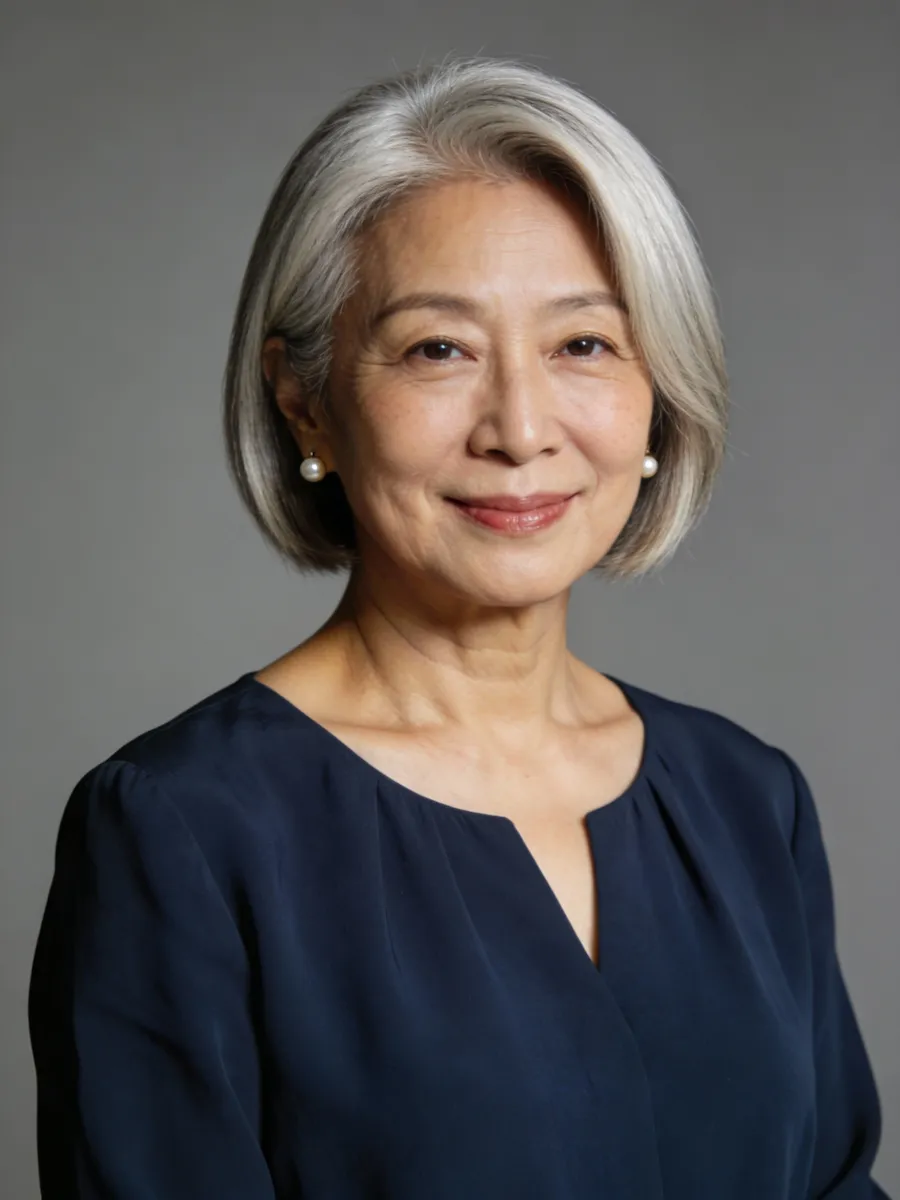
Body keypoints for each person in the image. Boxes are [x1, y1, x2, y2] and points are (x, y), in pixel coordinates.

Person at [28, 55, 888, 1199]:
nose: (521, 427)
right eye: (440, 349)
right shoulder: (181, 831)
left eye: (584, 343)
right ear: (307, 400)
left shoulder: (748, 802)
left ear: (658, 390)